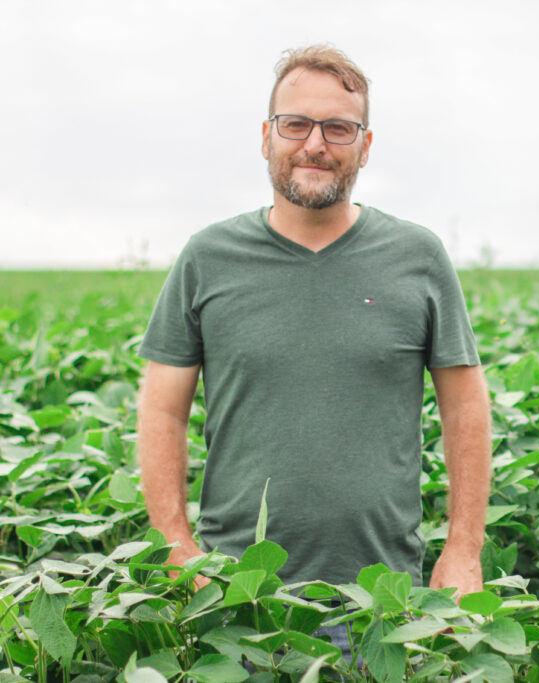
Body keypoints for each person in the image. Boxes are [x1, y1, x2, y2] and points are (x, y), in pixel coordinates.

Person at [136, 45, 491, 621]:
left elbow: (465, 407)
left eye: (339, 128)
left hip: (383, 603)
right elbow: (161, 411)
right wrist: (175, 542)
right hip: (236, 600)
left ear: (366, 146)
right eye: (296, 124)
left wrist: (463, 550)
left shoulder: (417, 257)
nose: (316, 144)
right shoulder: (208, 258)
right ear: (266, 136)